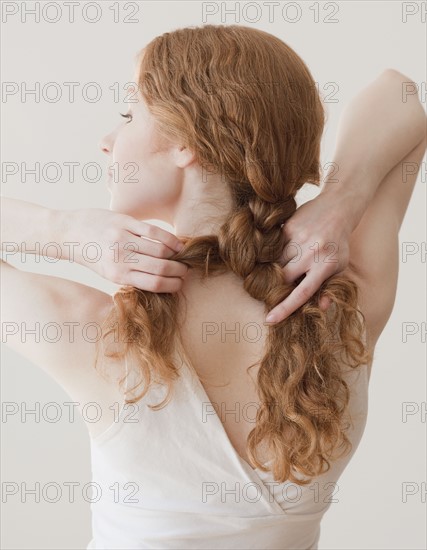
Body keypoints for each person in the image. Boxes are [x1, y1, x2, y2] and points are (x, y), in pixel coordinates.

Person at [1, 24, 425, 550]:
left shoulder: (100, 333)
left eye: (129, 115)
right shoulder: (342, 306)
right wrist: (342, 202)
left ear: (184, 142)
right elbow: (400, 92)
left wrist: (60, 232)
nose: (106, 142)